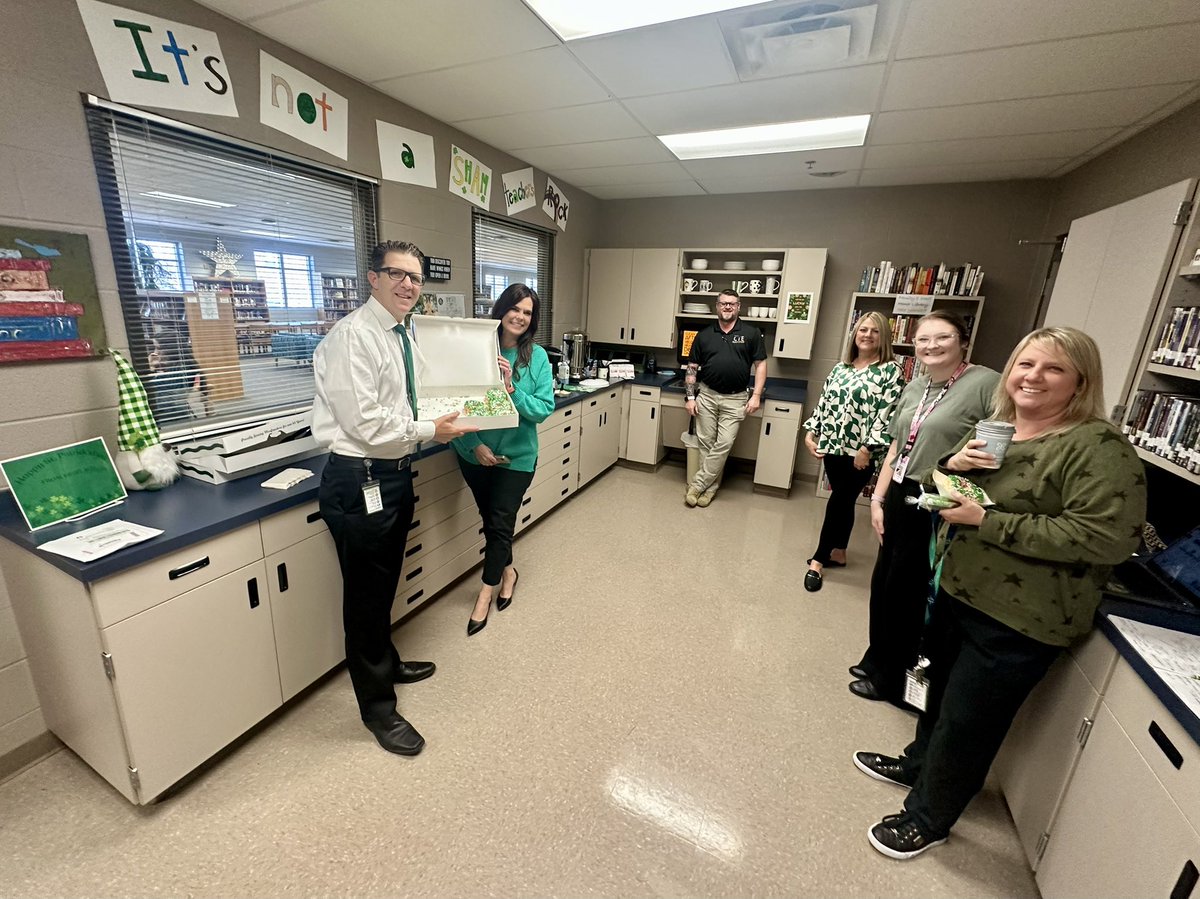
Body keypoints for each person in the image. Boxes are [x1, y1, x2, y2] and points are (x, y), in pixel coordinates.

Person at [854, 327, 1146, 859]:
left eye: (1053, 368)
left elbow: (1107, 538)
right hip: (959, 592)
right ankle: (917, 765)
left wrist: (988, 521)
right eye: (1025, 364)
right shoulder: (1002, 430)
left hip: (1019, 615)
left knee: (969, 719)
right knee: (938, 696)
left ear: (1081, 381)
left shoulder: (1097, 447)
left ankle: (929, 817)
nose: (1033, 377)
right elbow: (954, 495)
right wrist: (951, 468)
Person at [311, 239, 475, 757]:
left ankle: (387, 659)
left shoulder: (403, 334)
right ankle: (378, 709)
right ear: (372, 278)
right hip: (359, 480)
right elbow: (366, 423)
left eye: (416, 277)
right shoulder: (352, 337)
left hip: (394, 475)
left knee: (384, 581)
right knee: (364, 596)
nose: (409, 285)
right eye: (397, 274)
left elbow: (420, 390)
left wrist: (487, 373)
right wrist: (431, 429)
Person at [850, 310, 998, 704]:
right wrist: (878, 499)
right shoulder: (916, 387)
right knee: (883, 583)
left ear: (963, 341)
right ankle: (878, 656)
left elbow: (995, 450)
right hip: (900, 490)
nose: (931, 346)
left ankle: (895, 681)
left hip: (935, 497)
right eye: (922, 339)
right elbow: (898, 446)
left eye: (942, 337)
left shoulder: (984, 384)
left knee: (907, 592)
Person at [452, 283, 554, 636]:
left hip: (517, 457)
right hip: (475, 454)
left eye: (527, 312)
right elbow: (456, 402)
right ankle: (508, 571)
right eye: (515, 308)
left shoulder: (535, 358)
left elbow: (543, 410)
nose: (520, 317)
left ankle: (485, 593)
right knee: (493, 523)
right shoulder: (474, 350)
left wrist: (512, 389)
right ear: (501, 309)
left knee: (499, 522)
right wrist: (474, 446)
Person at [801, 311, 904, 592]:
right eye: (862, 330)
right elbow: (824, 403)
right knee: (843, 499)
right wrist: (811, 432)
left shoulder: (891, 371)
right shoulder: (841, 368)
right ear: (855, 334)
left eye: (874, 331)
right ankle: (840, 552)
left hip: (862, 452)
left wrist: (867, 447)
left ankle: (819, 560)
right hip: (834, 446)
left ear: (883, 337)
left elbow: (888, 413)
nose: (867, 335)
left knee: (839, 499)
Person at [683, 289, 768, 507]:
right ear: (717, 306)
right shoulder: (704, 335)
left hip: (736, 399)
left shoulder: (751, 333)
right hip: (707, 396)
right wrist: (690, 398)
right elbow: (692, 369)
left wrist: (756, 395)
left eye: (732, 303)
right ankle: (709, 490)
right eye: (723, 303)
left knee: (724, 443)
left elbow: (760, 365)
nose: (727, 307)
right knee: (706, 443)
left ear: (739, 306)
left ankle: (697, 484)